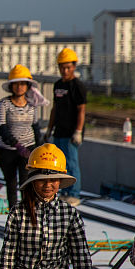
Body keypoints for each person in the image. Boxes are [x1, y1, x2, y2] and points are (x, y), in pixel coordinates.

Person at [0, 64, 45, 210]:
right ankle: (13, 214)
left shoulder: (31, 105)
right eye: (16, 84)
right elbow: (2, 128)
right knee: (11, 183)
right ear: (11, 86)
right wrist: (16, 145)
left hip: (27, 151)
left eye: (23, 83)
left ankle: (27, 214)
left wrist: (38, 149)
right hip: (7, 150)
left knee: (26, 182)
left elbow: (35, 127)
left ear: (27, 86)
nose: (19, 87)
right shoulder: (4, 104)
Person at [46, 48, 86, 206]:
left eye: (68, 67)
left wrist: (78, 131)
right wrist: (49, 130)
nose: (65, 70)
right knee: (59, 164)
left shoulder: (77, 86)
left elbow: (81, 109)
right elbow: (54, 109)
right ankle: (63, 191)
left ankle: (74, 193)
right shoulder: (57, 85)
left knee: (71, 162)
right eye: (62, 67)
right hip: (59, 130)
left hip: (71, 132)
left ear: (74, 66)